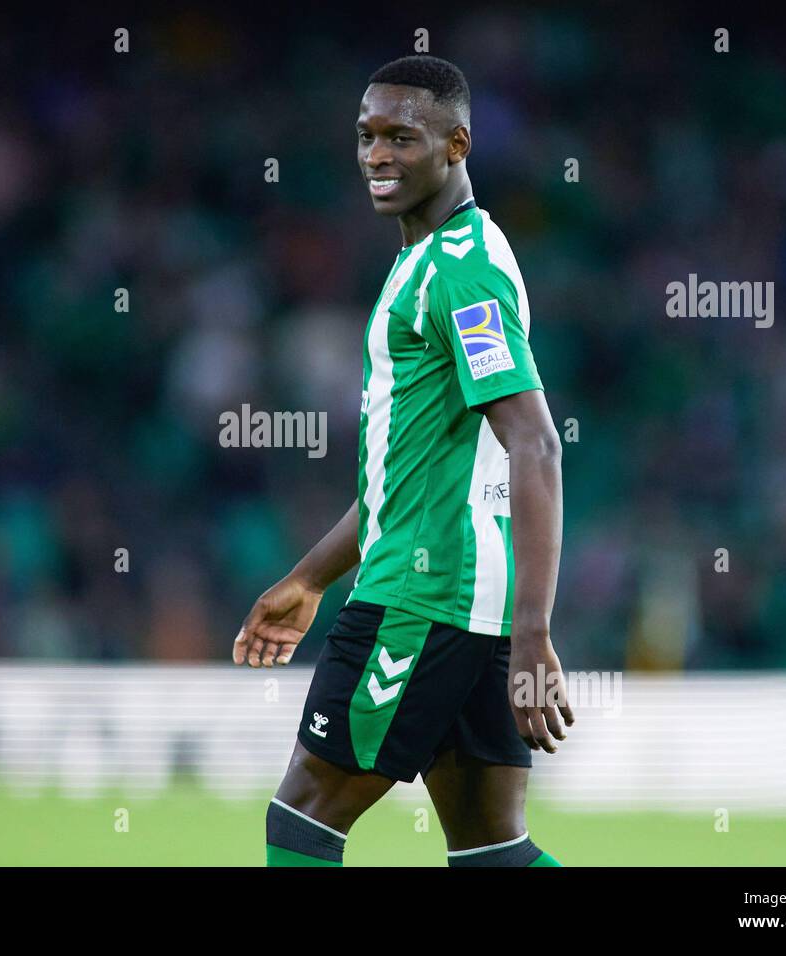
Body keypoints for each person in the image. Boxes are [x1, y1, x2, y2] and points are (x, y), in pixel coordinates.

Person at [233, 55, 571, 867]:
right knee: (492, 847)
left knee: (304, 816)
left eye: (401, 138)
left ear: (457, 145)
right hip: (460, 593)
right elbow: (405, 473)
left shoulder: (460, 271)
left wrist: (535, 634)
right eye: (367, 136)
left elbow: (536, 441)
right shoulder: (434, 258)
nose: (377, 155)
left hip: (423, 595)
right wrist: (312, 577)